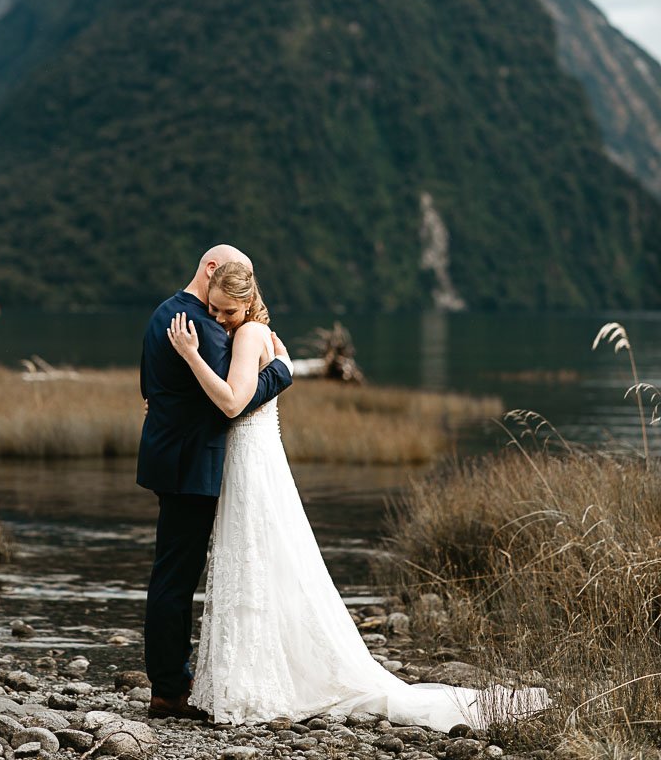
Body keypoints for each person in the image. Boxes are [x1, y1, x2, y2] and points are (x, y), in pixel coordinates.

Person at [167, 261, 549, 732]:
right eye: (212, 309)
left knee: (254, 559)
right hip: (255, 460)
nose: (217, 318)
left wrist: (189, 355)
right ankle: (257, 676)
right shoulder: (263, 334)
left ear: (247, 303)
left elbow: (231, 402)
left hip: (251, 463)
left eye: (225, 310)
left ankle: (253, 685)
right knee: (263, 561)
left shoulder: (247, 336)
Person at [137, 244, 294, 720]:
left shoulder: (166, 311)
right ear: (211, 269)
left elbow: (151, 388)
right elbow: (235, 400)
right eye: (224, 281)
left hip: (170, 458)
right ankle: (169, 689)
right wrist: (281, 373)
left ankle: (174, 680)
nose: (221, 313)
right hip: (191, 467)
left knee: (173, 574)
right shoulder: (202, 327)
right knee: (176, 580)